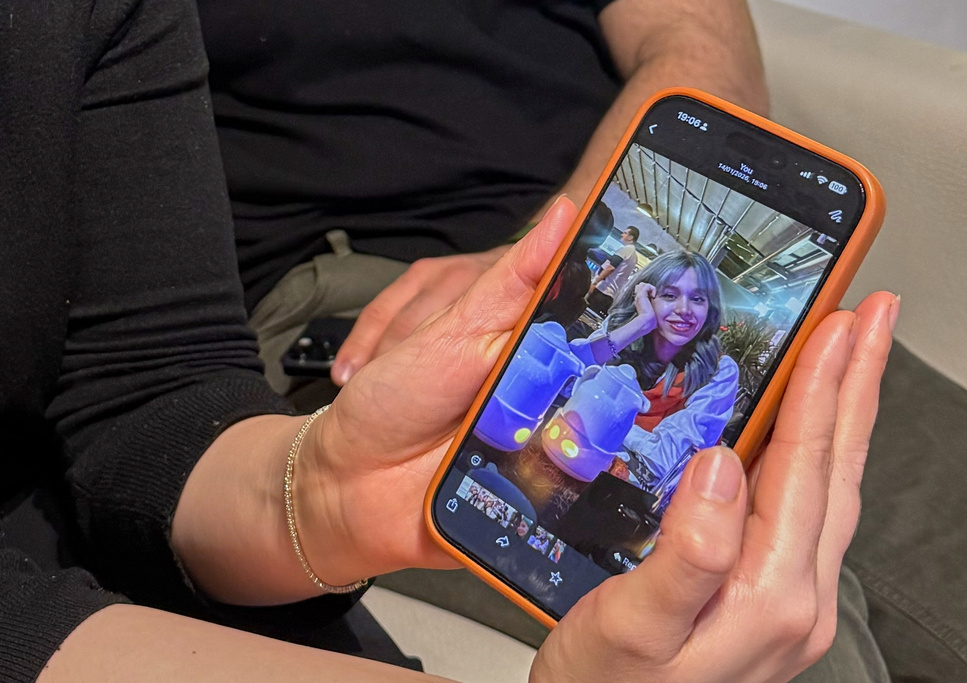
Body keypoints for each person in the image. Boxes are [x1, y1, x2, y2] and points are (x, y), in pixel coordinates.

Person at [2, 2, 897, 680]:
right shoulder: (614, 332)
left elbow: (145, 383)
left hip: (552, 280)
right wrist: (572, 286)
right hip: (385, 281)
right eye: (664, 292)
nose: (674, 308)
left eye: (687, 299)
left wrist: (320, 492)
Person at [193, 0, 771, 394]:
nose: (683, 311)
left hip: (516, 261)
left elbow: (711, 76)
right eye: (674, 294)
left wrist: (525, 265)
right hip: (312, 296)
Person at [571, 250, 739, 490]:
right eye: (670, 295)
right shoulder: (626, 328)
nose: (684, 309)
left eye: (698, 299)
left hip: (623, 492)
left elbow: (665, 461)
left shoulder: (719, 371)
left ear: (709, 309)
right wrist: (640, 324)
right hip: (567, 452)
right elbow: (565, 376)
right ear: (648, 296)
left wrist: (596, 415)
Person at [587, 225, 642, 315]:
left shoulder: (626, 250)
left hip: (603, 290)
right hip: (610, 295)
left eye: (625, 233)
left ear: (630, 237)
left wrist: (595, 283)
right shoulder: (634, 256)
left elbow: (611, 268)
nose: (622, 235)